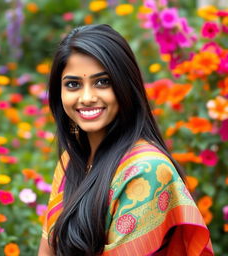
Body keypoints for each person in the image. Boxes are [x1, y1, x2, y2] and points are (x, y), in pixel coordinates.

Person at [38, 24, 214, 256]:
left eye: (102, 82)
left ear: (125, 86)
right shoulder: (72, 159)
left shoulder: (147, 170)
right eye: (73, 84)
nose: (87, 97)